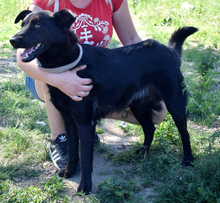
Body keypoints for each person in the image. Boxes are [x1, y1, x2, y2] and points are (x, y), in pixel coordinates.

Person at [16, 0, 168, 170]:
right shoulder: (48, 2)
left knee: (157, 113)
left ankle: (86, 118)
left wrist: (152, 66)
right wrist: (59, 80)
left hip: (93, 75)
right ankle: (60, 139)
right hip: (44, 76)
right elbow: (21, 57)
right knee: (52, 70)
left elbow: (131, 39)